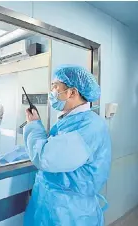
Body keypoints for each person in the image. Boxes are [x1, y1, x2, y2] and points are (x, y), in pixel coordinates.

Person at [23, 65, 111, 225]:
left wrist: (34, 126)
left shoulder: (89, 126)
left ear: (72, 92)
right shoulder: (70, 120)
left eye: (55, 87)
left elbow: (45, 157)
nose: (52, 93)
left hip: (69, 213)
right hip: (54, 205)